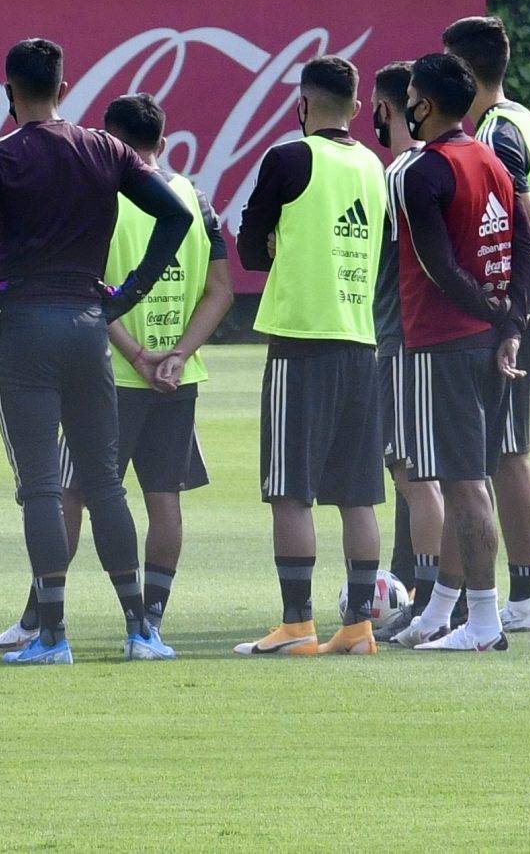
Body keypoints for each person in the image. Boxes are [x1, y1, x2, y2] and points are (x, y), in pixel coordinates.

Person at [0, 38, 189, 665]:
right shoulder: (105, 148)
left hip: (22, 325)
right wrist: (127, 294)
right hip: (86, 322)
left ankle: (51, 635)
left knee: (42, 487)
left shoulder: (1, 155)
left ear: (7, 93)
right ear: (66, 89)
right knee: (104, 482)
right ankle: (140, 630)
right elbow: (176, 216)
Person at [228, 56, 391, 657]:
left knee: (290, 490)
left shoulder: (290, 157)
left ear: (302, 105)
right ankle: (359, 624)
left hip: (302, 342)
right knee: (357, 493)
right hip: (360, 340)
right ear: (354, 107)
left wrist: (279, 252)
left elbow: (248, 241)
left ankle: (297, 623)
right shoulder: (375, 165)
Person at [385, 52, 530, 653]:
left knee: (464, 483)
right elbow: (526, 248)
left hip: (441, 342)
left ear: (422, 102)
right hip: (488, 343)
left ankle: (482, 621)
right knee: (463, 480)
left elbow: (437, 267)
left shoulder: (417, 170)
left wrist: (494, 314)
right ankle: (442, 611)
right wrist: (510, 323)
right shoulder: (490, 158)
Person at [444, 13, 530, 634]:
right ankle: (521, 596)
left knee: (502, 455)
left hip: (508, 320)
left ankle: (519, 599)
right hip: (527, 311)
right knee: (507, 450)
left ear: (466, 74)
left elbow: (526, 228)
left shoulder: (497, 137)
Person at [92, 93, 230, 637]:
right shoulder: (195, 197)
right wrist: (179, 353)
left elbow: (88, 288)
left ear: (108, 143)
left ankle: (41, 614)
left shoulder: (101, 197)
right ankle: (152, 617)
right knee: (163, 499)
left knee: (76, 493)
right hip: (178, 377)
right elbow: (219, 291)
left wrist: (137, 354)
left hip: (111, 372)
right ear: (163, 144)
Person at [366, 61, 444, 638]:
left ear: (387, 109)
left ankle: (434, 599)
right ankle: (429, 591)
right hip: (439, 340)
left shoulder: (397, 178)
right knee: (434, 471)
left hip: (401, 340)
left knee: (413, 472)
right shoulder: (437, 170)